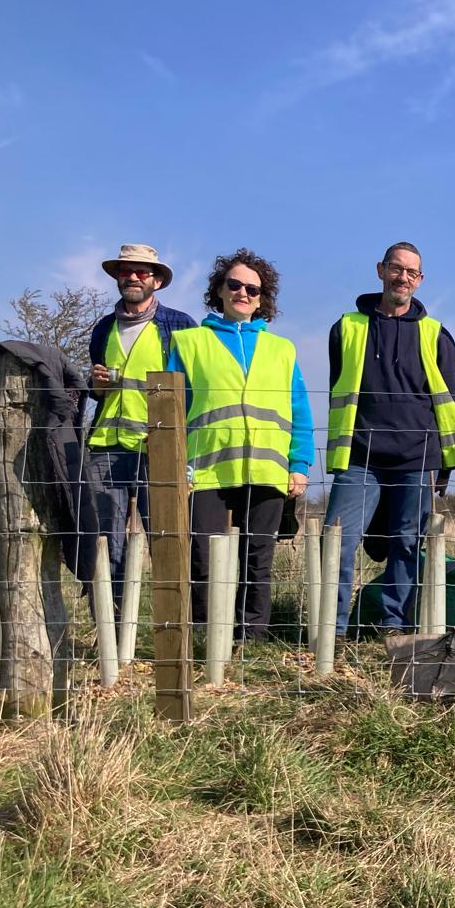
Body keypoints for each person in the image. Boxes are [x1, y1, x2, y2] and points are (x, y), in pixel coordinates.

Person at [323, 242, 455, 636]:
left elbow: (452, 401)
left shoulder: (435, 334)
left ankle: (396, 628)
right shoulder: (347, 327)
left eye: (411, 272)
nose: (402, 277)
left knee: (407, 545)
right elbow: (339, 384)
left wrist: (445, 464)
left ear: (420, 280)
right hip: (360, 457)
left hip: (416, 459)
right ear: (380, 270)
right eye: (396, 268)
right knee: (337, 541)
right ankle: (331, 632)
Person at [168, 250, 312, 640]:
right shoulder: (189, 342)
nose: (243, 293)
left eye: (252, 289)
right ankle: (205, 636)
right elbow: (173, 410)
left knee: (257, 560)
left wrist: (299, 464)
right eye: (234, 284)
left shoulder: (282, 349)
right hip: (205, 470)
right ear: (219, 290)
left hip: (268, 470)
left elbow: (299, 410)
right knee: (203, 558)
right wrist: (178, 467)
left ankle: (252, 639)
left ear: (263, 299)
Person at [85, 244, 196, 612]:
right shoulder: (103, 328)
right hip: (106, 446)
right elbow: (97, 391)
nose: (132, 277)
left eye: (142, 272)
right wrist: (96, 385)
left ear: (157, 281)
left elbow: (193, 391)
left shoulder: (180, 325)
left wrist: (179, 443)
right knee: (106, 543)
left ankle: (173, 625)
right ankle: (111, 629)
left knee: (166, 539)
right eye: (125, 271)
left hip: (157, 448)